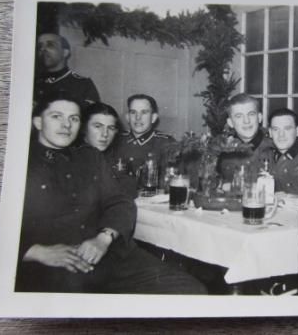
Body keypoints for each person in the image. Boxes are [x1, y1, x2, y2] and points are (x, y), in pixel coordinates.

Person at [16, 91, 206, 294]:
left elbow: (120, 202)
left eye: (74, 118)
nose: (66, 125)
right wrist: (35, 252)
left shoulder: (90, 158)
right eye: (57, 117)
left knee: (191, 290)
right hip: (54, 265)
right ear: (37, 122)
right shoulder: (17, 164)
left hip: (109, 255)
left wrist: (104, 238)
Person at [113, 94, 175, 187]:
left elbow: (169, 184)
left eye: (144, 112)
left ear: (153, 118)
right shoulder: (115, 140)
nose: (138, 117)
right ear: (127, 117)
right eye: (133, 112)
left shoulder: (166, 143)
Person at [80, 102, 137, 198]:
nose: (105, 134)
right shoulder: (71, 160)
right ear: (83, 128)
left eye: (110, 128)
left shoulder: (116, 158)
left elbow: (130, 190)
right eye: (98, 126)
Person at [217, 93, 274, 182]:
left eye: (251, 114)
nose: (246, 121)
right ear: (230, 122)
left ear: (259, 118)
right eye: (239, 116)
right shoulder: (220, 151)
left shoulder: (275, 148)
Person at [35, 33, 100, 107]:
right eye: (40, 46)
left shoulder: (83, 85)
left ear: (65, 52)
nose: (43, 49)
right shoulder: (33, 83)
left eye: (50, 45)